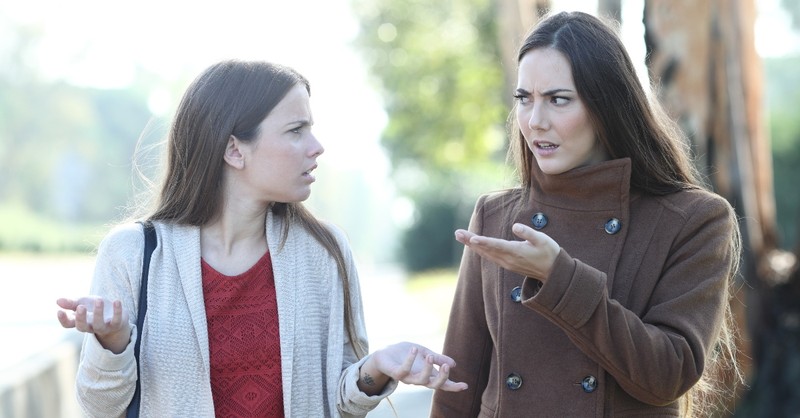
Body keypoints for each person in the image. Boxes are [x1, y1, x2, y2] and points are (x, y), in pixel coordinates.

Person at [56, 59, 467, 418]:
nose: (316, 146)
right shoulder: (133, 254)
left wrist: (375, 367)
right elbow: (99, 407)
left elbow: (341, 406)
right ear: (235, 150)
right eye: (295, 130)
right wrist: (113, 343)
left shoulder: (324, 251)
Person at [430, 11, 741, 418]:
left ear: (606, 103)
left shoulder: (694, 219)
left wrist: (560, 278)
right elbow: (459, 388)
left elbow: (668, 375)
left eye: (558, 100)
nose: (535, 121)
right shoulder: (495, 216)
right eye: (524, 99)